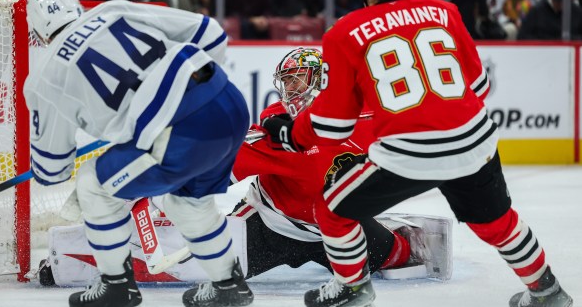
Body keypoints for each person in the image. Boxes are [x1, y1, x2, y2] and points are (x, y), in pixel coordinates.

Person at [261, 0, 574, 307]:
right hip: (475, 141)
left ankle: (353, 289)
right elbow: (479, 86)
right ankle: (547, 291)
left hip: (409, 154)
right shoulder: (445, 12)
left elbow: (333, 127)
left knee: (331, 210)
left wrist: (289, 134)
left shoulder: (344, 32)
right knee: (498, 222)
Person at [38, 47, 452, 287]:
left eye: (296, 80)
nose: (287, 90)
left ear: (322, 81)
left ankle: (398, 238)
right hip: (270, 226)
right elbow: (220, 161)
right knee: (189, 269)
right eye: (285, 82)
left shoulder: (368, 120)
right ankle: (69, 258)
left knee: (393, 255)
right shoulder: (278, 128)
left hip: (339, 231)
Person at [24, 0, 253, 307]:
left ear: (40, 34)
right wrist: (190, 95)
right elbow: (211, 32)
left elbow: (51, 170)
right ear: (77, 8)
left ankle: (116, 286)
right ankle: (229, 286)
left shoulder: (46, 77)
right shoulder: (113, 9)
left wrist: (160, 119)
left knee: (93, 184)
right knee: (186, 201)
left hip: (180, 132)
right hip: (228, 103)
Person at [518, 0, 582, 40]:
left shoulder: (577, 12)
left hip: (571, 49)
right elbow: (523, 36)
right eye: (557, 0)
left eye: (564, 0)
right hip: (542, 49)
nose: (560, 4)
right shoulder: (537, 11)